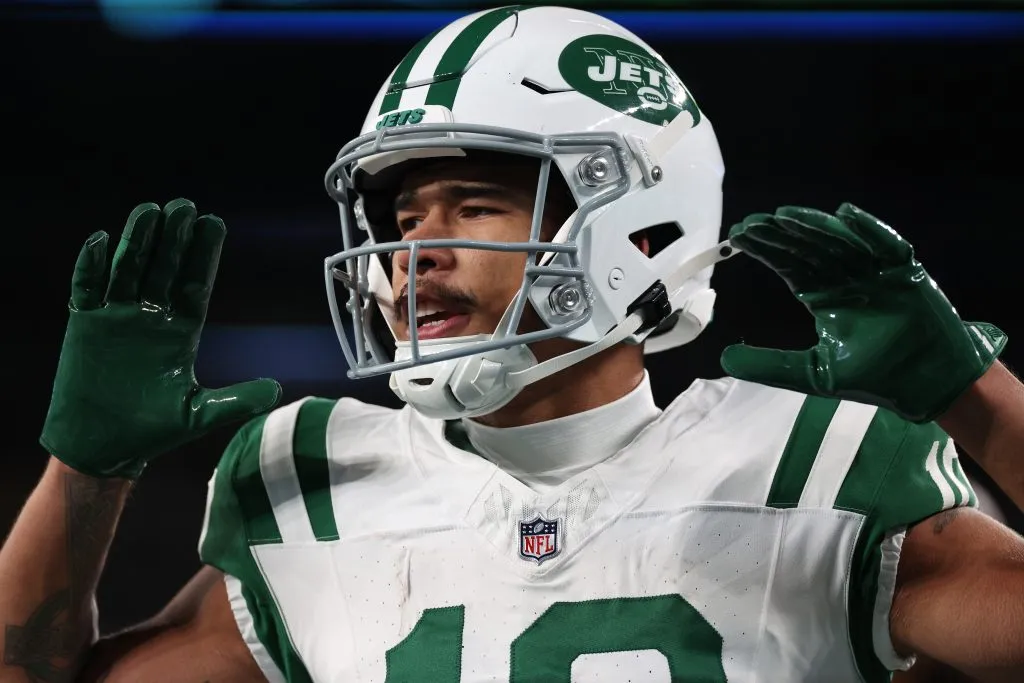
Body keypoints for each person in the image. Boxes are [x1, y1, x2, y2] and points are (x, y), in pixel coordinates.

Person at [2, 5, 1023, 683]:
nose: (413, 254)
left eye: (475, 206)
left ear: (640, 223)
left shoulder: (818, 464)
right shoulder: (315, 475)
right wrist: (85, 472)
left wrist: (974, 396)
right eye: (402, 219)